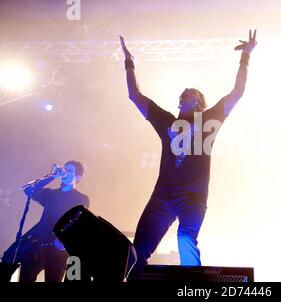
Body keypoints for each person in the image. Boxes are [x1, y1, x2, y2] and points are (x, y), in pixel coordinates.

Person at [119, 30, 257, 278]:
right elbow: (135, 96)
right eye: (181, 94)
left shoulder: (209, 121)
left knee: (185, 238)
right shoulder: (167, 122)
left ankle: (193, 286)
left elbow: (237, 92)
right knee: (137, 251)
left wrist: (245, 58)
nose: (182, 94)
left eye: (189, 93)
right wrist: (129, 62)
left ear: (199, 102)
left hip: (192, 197)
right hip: (162, 196)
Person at [1, 161, 90, 282]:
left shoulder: (81, 199)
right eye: (64, 169)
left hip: (58, 251)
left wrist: (63, 241)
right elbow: (27, 189)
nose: (64, 172)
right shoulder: (51, 194)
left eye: (68, 171)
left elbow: (77, 222)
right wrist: (52, 176)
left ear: (77, 177)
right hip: (37, 247)